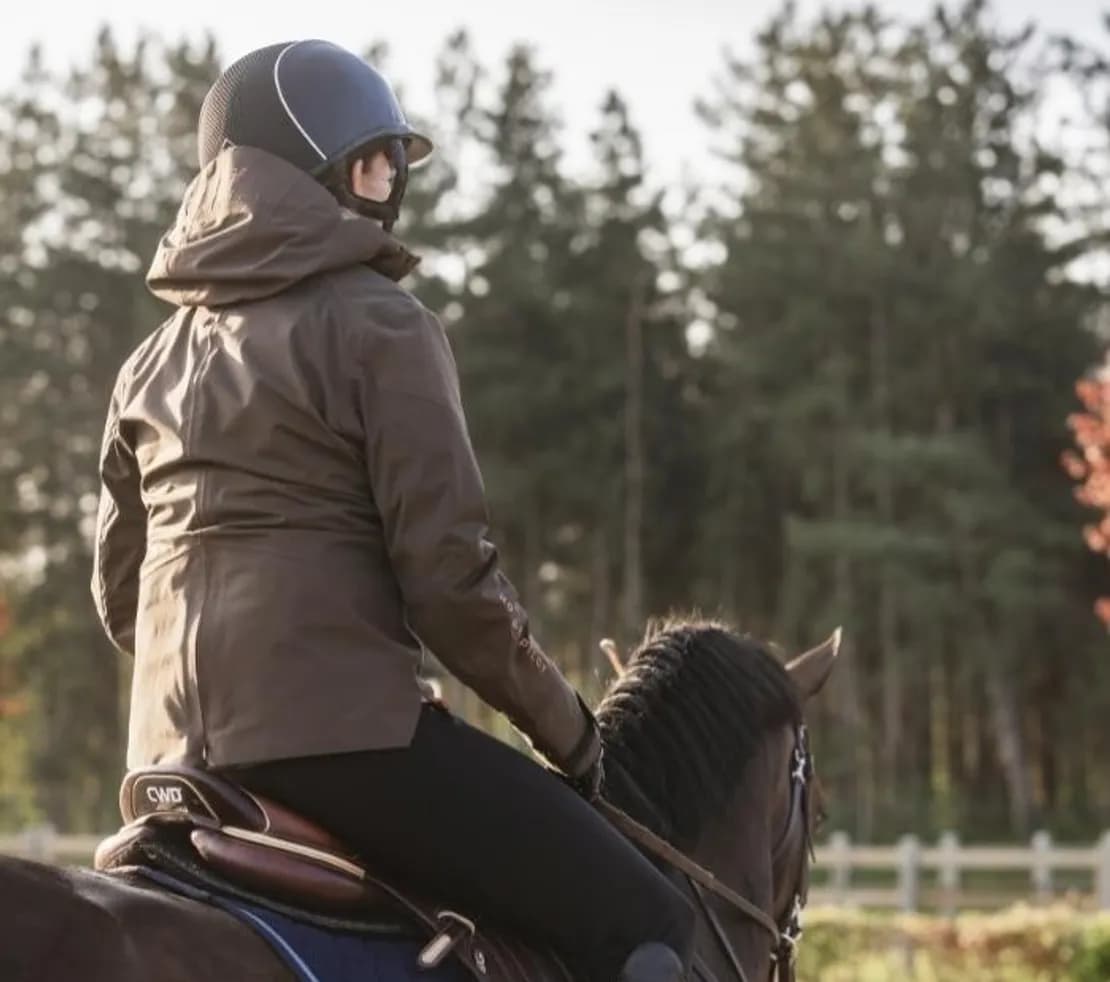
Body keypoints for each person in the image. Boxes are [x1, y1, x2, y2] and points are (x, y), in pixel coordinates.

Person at [91, 39, 694, 982]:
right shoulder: (383, 323)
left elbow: (123, 601)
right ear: (319, 170)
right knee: (646, 916)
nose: (388, 181)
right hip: (345, 745)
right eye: (372, 158)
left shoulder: (148, 361)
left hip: (169, 759)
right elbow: (450, 580)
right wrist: (570, 732)